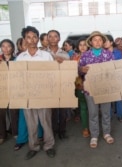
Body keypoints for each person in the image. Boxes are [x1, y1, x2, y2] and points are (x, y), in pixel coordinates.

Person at [15, 26, 55, 160]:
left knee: (46, 122)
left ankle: (49, 146)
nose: (32, 40)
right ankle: (34, 147)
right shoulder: (20, 58)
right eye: (28, 37)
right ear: (24, 39)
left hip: (43, 95)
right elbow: (17, 77)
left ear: (38, 38)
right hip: (28, 96)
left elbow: (53, 75)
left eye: (34, 37)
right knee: (31, 123)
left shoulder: (46, 56)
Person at [79, 31, 114, 148]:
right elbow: (78, 71)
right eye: (95, 40)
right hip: (90, 89)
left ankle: (106, 133)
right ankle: (94, 135)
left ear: (103, 42)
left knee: (105, 112)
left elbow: (114, 70)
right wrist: (81, 70)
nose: (97, 42)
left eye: (100, 40)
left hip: (105, 89)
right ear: (90, 42)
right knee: (93, 113)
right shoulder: (85, 55)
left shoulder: (108, 54)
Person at [46, 29, 70, 139]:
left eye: (55, 36)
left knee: (63, 110)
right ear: (47, 38)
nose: (52, 38)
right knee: (52, 110)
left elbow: (70, 70)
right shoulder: (43, 54)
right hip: (49, 86)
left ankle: (63, 130)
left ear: (59, 38)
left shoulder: (65, 54)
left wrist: (64, 62)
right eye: (50, 36)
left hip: (63, 84)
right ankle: (54, 131)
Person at [0, 39, 19, 145]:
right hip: (1, 91)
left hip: (14, 90)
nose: (6, 49)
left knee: (14, 113)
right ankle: (2, 134)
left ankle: (15, 132)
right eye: (3, 46)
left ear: (12, 48)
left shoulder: (17, 60)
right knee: (1, 114)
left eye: (8, 46)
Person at [104, 35, 122, 122]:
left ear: (111, 42)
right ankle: (109, 115)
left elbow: (120, 66)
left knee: (118, 98)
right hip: (106, 79)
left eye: (106, 41)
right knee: (108, 99)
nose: (104, 43)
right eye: (103, 41)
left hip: (116, 78)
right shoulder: (102, 53)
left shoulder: (118, 53)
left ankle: (120, 115)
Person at [73, 37, 90, 138]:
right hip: (80, 85)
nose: (83, 47)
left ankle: (93, 127)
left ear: (88, 46)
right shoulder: (75, 58)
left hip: (92, 85)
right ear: (77, 47)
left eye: (85, 44)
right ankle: (85, 128)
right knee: (83, 107)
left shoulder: (92, 56)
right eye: (80, 45)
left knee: (93, 108)